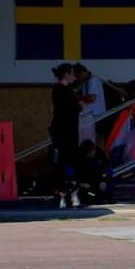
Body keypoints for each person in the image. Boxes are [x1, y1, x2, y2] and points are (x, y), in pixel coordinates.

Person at [47, 63, 80, 206]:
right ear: (66, 74)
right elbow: (66, 110)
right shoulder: (60, 90)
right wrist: (80, 106)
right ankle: (62, 192)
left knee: (68, 161)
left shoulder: (65, 90)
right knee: (63, 161)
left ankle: (68, 189)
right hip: (64, 132)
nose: (74, 76)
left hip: (68, 131)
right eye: (72, 73)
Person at [74, 63, 105, 149]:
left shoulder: (93, 80)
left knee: (94, 141)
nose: (78, 79)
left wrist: (77, 97)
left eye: (77, 76)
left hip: (96, 115)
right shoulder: (86, 82)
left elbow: (91, 98)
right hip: (90, 116)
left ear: (82, 73)